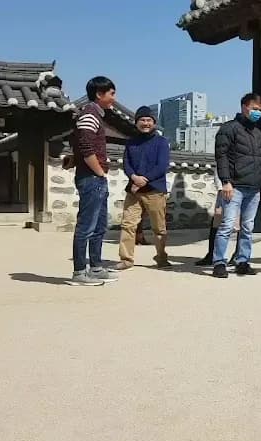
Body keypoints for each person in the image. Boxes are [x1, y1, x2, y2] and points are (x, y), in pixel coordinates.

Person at [67, 76, 119, 286]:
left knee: (99, 226)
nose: (114, 98)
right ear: (99, 94)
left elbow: (78, 143)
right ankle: (79, 272)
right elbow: (85, 145)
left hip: (94, 178)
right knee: (86, 226)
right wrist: (100, 172)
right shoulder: (90, 114)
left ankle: (96, 267)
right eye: (111, 93)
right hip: (91, 178)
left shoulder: (95, 114)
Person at [212, 93, 261, 278]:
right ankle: (219, 262)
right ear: (244, 107)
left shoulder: (258, 133)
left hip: (254, 188)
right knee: (227, 225)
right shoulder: (229, 129)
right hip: (234, 186)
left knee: (248, 227)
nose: (257, 112)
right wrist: (225, 181)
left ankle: (242, 261)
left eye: (260, 110)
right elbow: (221, 156)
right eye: (254, 109)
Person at [116, 106, 171, 271]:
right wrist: (134, 177)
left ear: (154, 123)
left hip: (155, 190)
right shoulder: (131, 142)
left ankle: (161, 258)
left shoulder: (161, 142)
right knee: (128, 224)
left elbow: (162, 166)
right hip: (134, 190)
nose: (145, 123)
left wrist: (144, 179)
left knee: (159, 228)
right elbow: (127, 164)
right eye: (142, 120)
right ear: (136, 122)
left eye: (149, 120)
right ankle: (126, 259)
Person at [196, 167, 241, 267]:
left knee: (241, 224)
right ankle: (212, 254)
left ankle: (238, 255)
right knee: (216, 223)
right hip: (224, 189)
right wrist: (221, 187)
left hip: (241, 189)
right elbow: (219, 167)